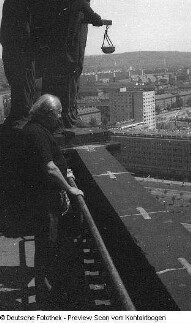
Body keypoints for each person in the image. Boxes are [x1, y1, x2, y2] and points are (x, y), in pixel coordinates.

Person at [21, 94, 84, 309]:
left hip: (43, 201)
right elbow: (49, 167)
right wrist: (69, 188)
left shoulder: (34, 129)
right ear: (48, 114)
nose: (59, 117)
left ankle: (46, 295)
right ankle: (47, 301)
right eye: (57, 113)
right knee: (48, 247)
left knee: (46, 247)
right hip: (45, 203)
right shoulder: (37, 133)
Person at [32, 0, 112, 128]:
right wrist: (91, 14)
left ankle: (52, 117)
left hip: (57, 27)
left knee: (55, 74)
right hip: (71, 29)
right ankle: (67, 118)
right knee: (70, 72)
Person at [0, 0, 35, 128]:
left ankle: (22, 115)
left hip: (18, 48)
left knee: (21, 82)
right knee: (19, 82)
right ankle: (20, 115)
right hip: (16, 47)